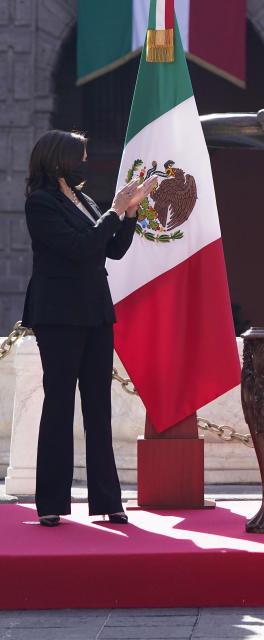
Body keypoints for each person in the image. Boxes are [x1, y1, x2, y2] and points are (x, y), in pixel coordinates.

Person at [21, 130, 158, 527]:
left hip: (96, 312)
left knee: (99, 408)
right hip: (58, 314)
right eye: (79, 155)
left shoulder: (82, 200)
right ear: (58, 158)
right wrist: (114, 211)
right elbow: (80, 247)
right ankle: (51, 503)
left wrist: (129, 213)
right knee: (60, 404)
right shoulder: (40, 203)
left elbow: (111, 249)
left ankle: (107, 500)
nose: (85, 162)